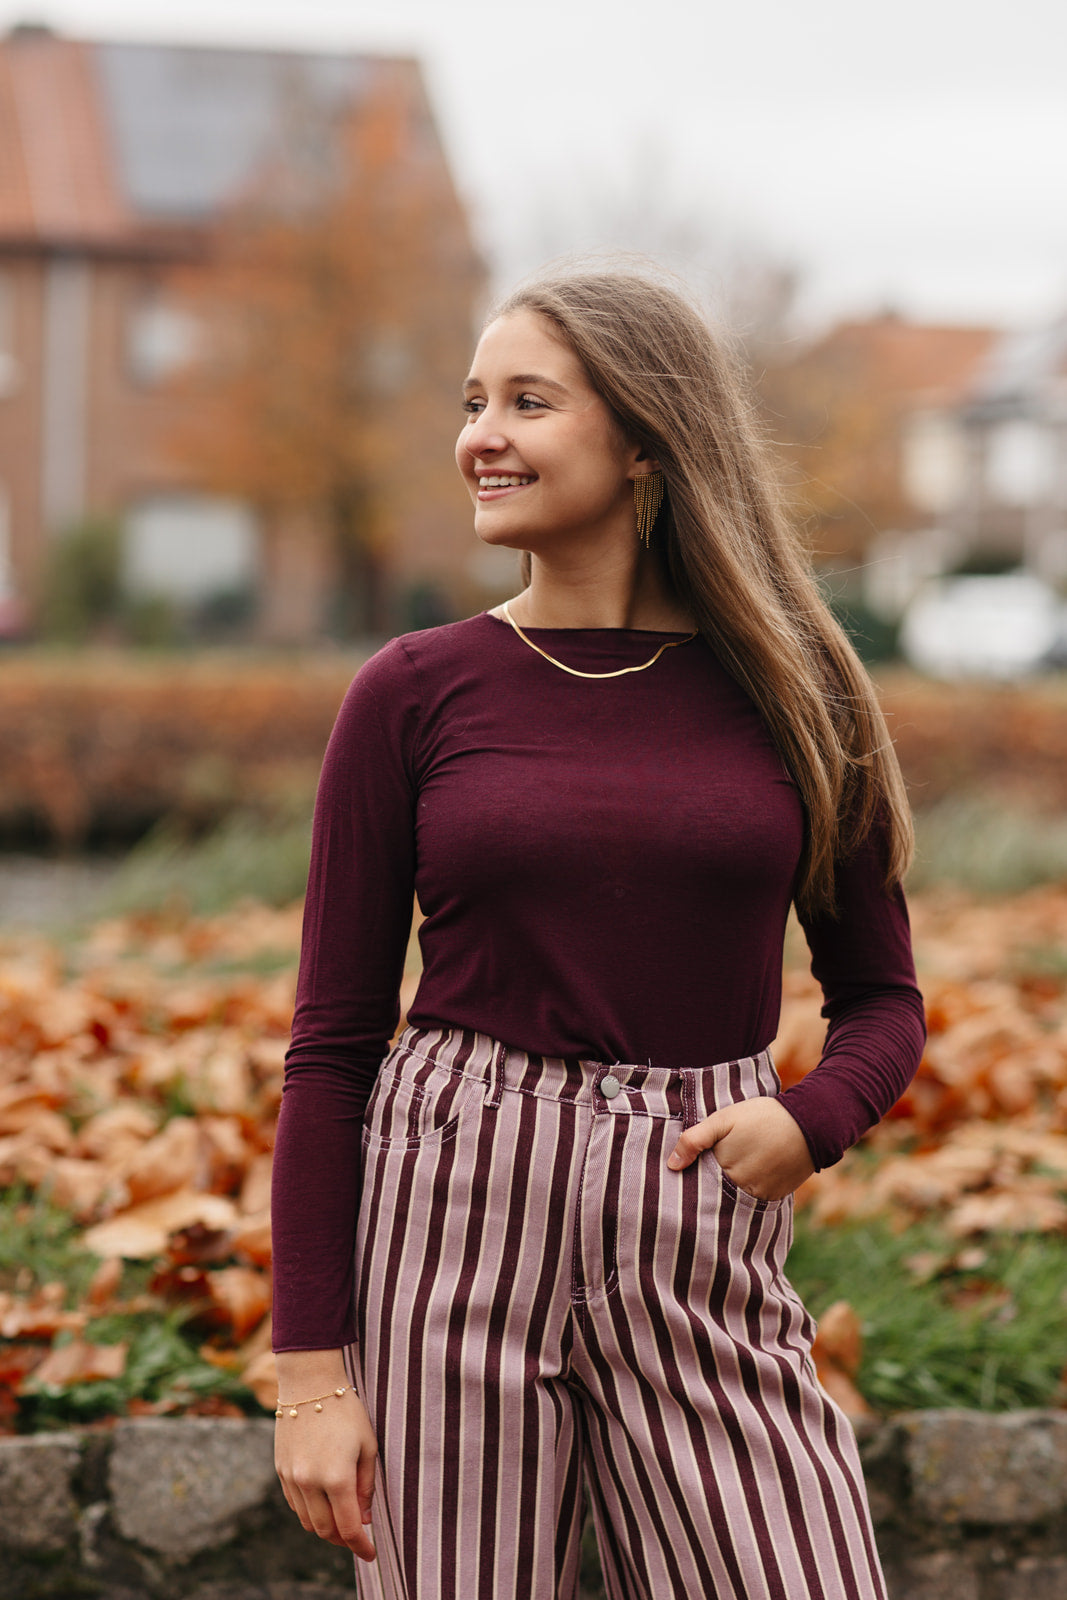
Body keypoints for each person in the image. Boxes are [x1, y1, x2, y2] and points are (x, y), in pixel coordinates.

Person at [270, 266, 926, 1600]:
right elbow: (332, 1043)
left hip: (695, 1211)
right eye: (473, 402)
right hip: (454, 1201)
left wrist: (815, 1120)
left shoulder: (796, 694)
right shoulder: (411, 692)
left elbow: (884, 996)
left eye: (527, 401)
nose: (481, 435)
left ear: (643, 440)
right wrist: (308, 1377)